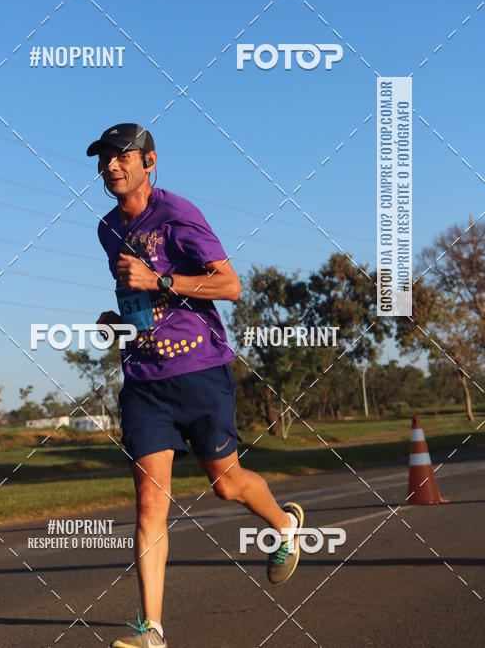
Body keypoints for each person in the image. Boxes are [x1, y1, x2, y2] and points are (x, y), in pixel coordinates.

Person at [88, 123, 304, 648]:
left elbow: (229, 284)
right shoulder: (106, 228)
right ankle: (152, 631)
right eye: (104, 159)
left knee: (225, 484)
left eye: (122, 156)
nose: (111, 166)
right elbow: (140, 303)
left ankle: (286, 526)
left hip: (200, 371)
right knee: (148, 504)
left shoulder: (178, 214)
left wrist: (160, 280)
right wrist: (118, 320)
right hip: (143, 379)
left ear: (149, 161)